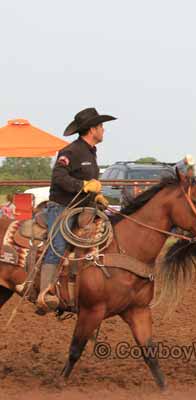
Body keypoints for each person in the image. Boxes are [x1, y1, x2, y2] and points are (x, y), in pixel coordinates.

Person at [19, 107, 116, 312]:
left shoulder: (90, 152)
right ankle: (45, 293)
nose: (103, 130)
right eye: (101, 126)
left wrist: (95, 196)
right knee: (58, 244)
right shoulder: (70, 151)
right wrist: (83, 186)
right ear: (91, 129)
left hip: (82, 207)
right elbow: (59, 178)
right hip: (62, 206)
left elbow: (86, 181)